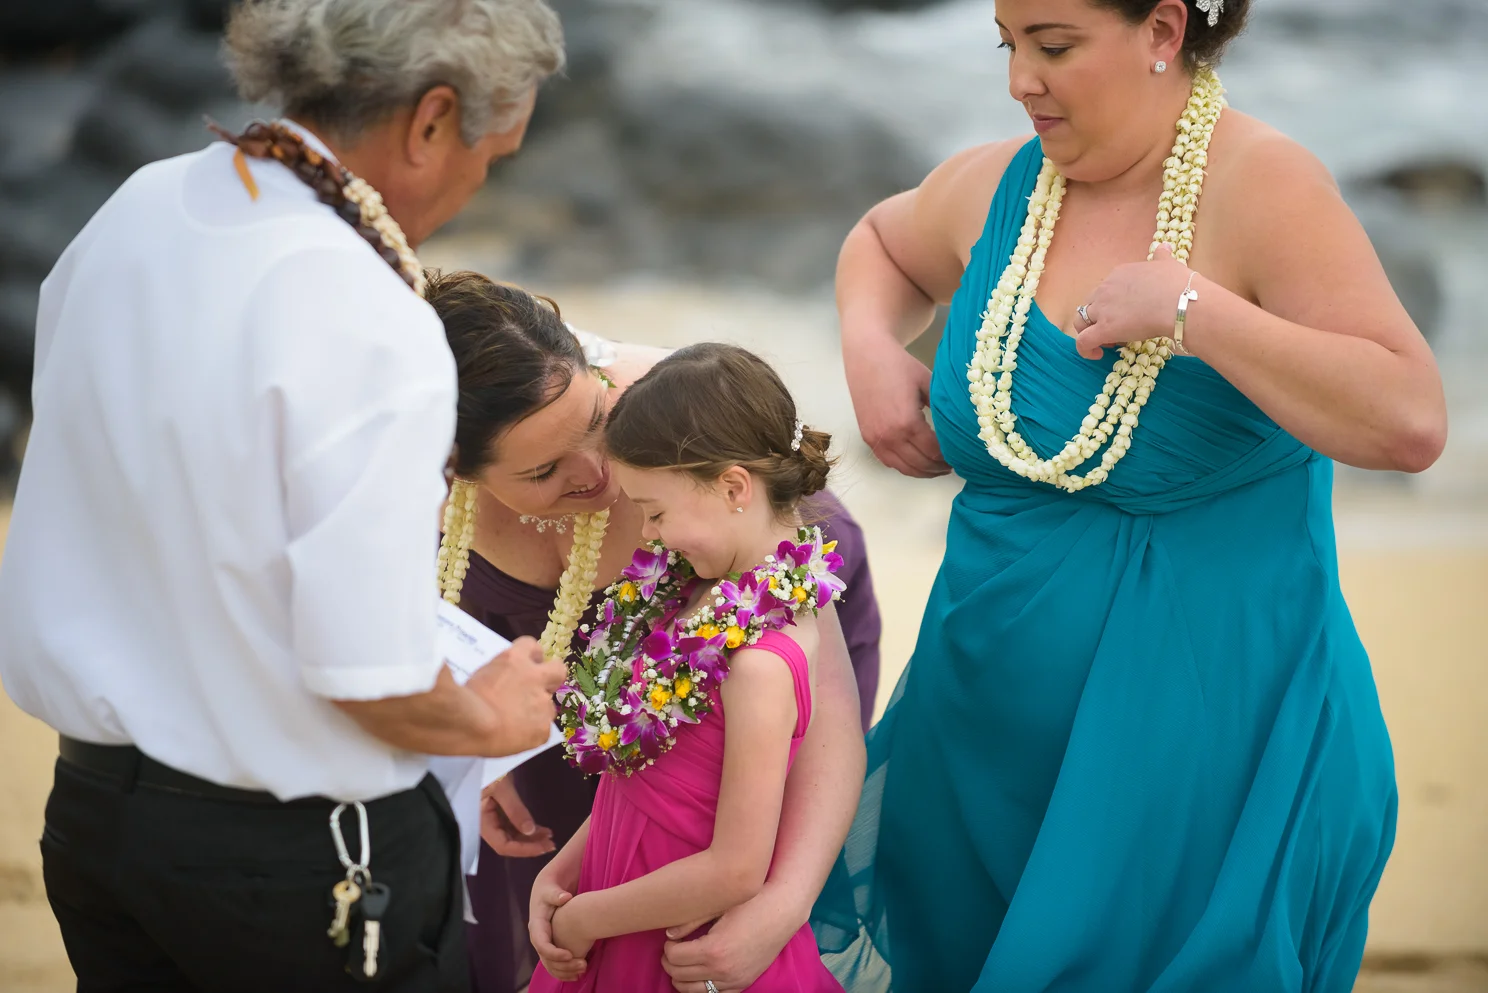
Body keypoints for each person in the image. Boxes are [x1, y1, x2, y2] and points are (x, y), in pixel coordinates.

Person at [811, 1, 1449, 991]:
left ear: (1161, 31)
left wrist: (1190, 309)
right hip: (977, 742)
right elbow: (880, 245)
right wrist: (869, 351)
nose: (1022, 79)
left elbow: (1407, 421)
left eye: (1055, 47)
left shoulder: (1263, 186)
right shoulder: (1000, 189)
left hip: (1205, 759)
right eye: (1008, 45)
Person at [0, 2, 569, 990]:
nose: (484, 181)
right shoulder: (364, 311)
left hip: (96, 816)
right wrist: (491, 720)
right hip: (297, 862)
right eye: (494, 151)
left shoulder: (140, 205)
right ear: (432, 119)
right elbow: (371, 676)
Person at [420, 271, 874, 993]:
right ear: (455, 472)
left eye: (594, 421)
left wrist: (779, 908)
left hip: (713, 770)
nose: (597, 471)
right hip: (587, 787)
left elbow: (827, 732)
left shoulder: (688, 471)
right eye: (543, 469)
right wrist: (472, 745)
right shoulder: (412, 489)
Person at [527, 342, 847, 992]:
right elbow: (648, 773)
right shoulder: (682, 589)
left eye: (657, 511)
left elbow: (736, 868)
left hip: (668, 930)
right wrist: (562, 870)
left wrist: (589, 918)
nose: (646, 534)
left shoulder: (760, 659)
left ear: (733, 486)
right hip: (614, 880)